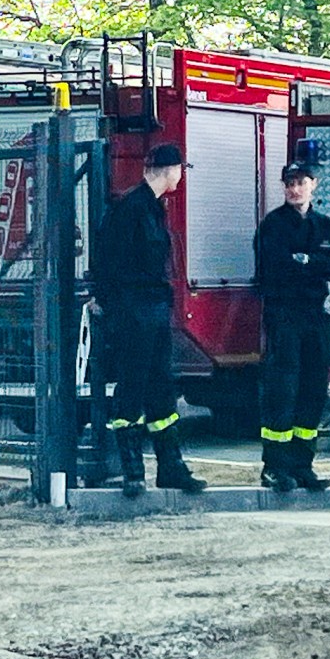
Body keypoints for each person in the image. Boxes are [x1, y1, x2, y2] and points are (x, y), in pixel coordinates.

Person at [93, 143, 207, 498]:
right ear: (170, 170)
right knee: (132, 390)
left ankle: (171, 468)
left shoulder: (153, 208)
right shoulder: (130, 210)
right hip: (134, 313)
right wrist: (113, 307)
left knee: (162, 391)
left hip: (154, 312)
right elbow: (109, 263)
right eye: (179, 170)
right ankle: (132, 472)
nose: (180, 176)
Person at [253, 161, 330, 491]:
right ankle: (274, 467)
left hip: (315, 316)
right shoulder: (273, 226)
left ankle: (302, 465)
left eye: (300, 182)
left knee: (313, 391)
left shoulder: (325, 226)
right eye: (288, 183)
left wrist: (307, 261)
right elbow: (277, 268)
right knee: (282, 392)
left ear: (314, 184)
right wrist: (315, 265)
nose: (293, 189)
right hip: (284, 316)